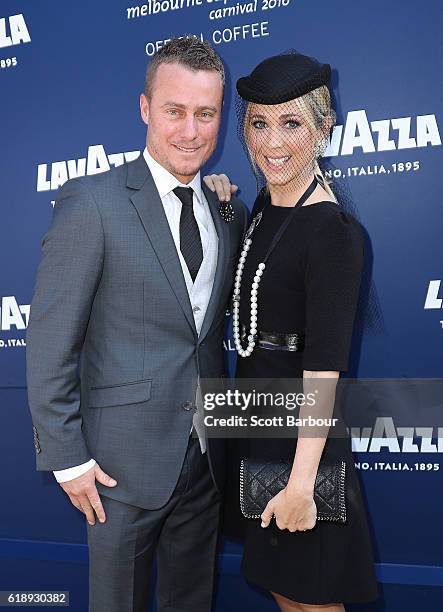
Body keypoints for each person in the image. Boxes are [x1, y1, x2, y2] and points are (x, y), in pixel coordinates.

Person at [26, 37, 247, 612]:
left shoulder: (228, 209)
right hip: (118, 470)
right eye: (175, 111)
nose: (191, 131)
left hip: (205, 462)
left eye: (206, 114)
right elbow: (50, 342)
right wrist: (67, 457)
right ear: (145, 108)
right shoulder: (91, 203)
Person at [205, 52, 379, 611]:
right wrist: (228, 211)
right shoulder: (264, 204)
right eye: (259, 123)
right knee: (284, 585)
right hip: (258, 427)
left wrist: (303, 481)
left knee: (316, 593)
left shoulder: (333, 229)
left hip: (305, 441)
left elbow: (323, 368)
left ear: (324, 127)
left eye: (292, 123)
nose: (272, 143)